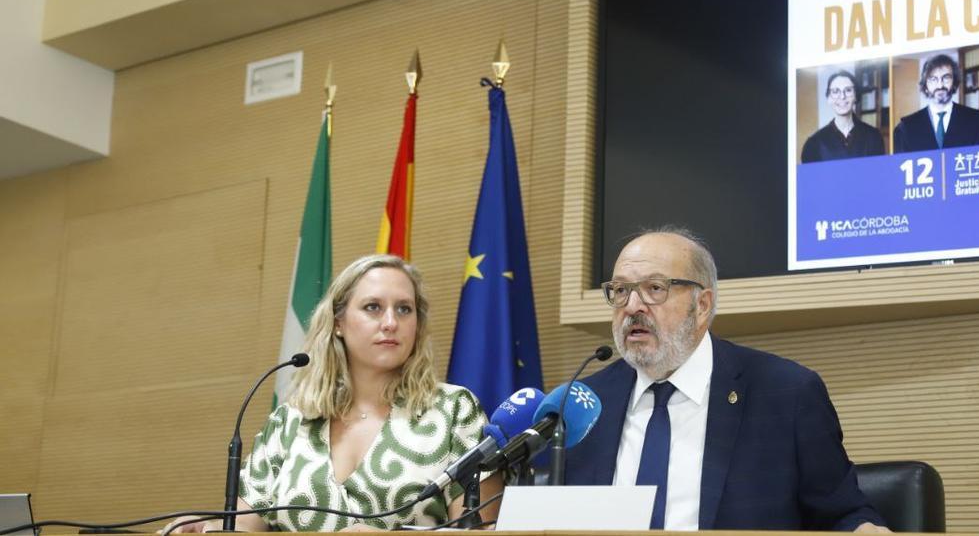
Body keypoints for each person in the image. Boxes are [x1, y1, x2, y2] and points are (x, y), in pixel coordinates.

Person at [564, 228, 889, 532]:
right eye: (621, 290)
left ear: (702, 306)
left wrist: (863, 529)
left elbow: (844, 514)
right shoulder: (583, 404)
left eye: (654, 289)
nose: (632, 306)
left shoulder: (787, 395)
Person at [166, 255, 501, 532]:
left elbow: (481, 531)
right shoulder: (290, 421)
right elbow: (246, 527)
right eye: (373, 307)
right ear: (338, 322)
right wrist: (207, 528)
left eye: (404, 309)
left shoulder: (453, 411)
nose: (390, 322)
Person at [893, 53, 979, 152]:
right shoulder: (906, 128)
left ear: (954, 82)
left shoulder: (977, 121)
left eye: (946, 78)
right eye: (933, 79)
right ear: (925, 85)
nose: (940, 85)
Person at [801, 70, 886, 163]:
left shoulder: (873, 136)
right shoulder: (814, 144)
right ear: (828, 98)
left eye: (848, 90)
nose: (842, 97)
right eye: (835, 91)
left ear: (856, 96)